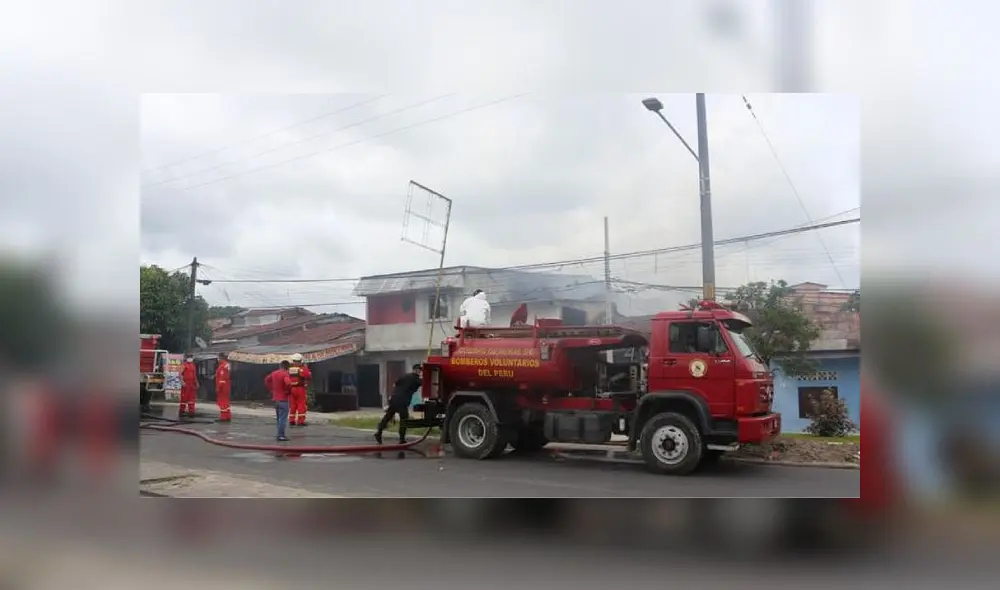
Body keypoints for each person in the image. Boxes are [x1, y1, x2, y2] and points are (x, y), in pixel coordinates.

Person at [374, 364, 422, 445]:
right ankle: (402, 439)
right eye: (418, 370)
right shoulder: (416, 379)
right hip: (402, 401)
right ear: (415, 370)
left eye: (420, 370)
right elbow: (423, 383)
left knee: (388, 416)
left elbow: (395, 384)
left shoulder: (405, 376)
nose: (419, 371)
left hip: (394, 398)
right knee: (404, 419)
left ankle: (379, 432)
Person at [264, 360, 293, 442]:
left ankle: (279, 434)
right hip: (283, 399)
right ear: (288, 367)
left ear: (280, 365)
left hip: (275, 399)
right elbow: (288, 384)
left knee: (279, 418)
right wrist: (288, 391)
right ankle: (281, 435)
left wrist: (271, 389)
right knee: (282, 419)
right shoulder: (285, 374)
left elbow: (266, 380)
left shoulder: (274, 373)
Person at [287, 352, 312, 427]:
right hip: (300, 389)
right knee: (301, 404)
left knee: (293, 405)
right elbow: (308, 376)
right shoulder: (302, 369)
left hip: (291, 389)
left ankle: (291, 420)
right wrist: (306, 368)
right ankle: (300, 421)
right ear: (300, 361)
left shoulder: (289, 369)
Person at [214, 352, 232, 422]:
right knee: (226, 402)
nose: (217, 359)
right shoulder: (226, 364)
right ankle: (228, 416)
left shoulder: (222, 366)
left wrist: (218, 387)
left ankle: (223, 418)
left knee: (222, 402)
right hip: (226, 386)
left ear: (220, 358)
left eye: (218, 358)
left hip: (222, 387)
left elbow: (222, 378)